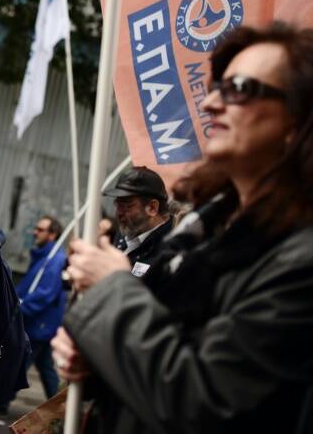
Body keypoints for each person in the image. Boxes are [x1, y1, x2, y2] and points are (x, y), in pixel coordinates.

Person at [53, 22, 313, 433]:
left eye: (239, 89)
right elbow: (155, 367)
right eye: (215, 87)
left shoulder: (300, 263)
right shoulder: (202, 234)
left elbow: (202, 401)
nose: (210, 104)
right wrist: (97, 358)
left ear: (297, 124)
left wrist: (111, 291)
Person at [14, 216, 67, 401]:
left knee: (18, 364)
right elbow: (29, 286)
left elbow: (45, 294)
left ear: (52, 235)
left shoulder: (54, 261)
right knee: (45, 367)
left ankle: (0, 403)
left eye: (40, 229)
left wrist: (19, 308)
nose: (35, 232)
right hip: (43, 324)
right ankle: (60, 410)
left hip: (40, 324)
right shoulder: (44, 257)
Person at [103, 166, 172, 279]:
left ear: (152, 207)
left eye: (127, 206)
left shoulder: (169, 249)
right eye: (117, 205)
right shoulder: (125, 233)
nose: (119, 213)